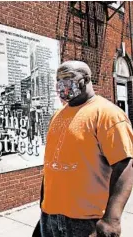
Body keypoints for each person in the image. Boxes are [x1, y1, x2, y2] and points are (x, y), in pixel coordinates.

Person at [38, 61, 133, 237]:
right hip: (50, 217)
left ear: (86, 80)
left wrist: (112, 219)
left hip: (86, 221)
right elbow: (52, 164)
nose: (62, 85)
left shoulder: (107, 114)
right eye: (59, 80)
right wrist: (44, 208)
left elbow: (124, 165)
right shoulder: (57, 115)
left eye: (68, 79)